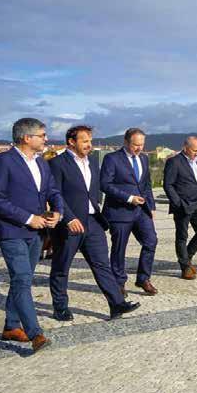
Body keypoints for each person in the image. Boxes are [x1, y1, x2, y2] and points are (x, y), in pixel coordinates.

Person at [0, 118, 63, 353]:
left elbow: (53, 191)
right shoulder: (2, 161)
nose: (46, 139)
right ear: (27, 137)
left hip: (37, 232)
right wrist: (28, 218)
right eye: (42, 135)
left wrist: (58, 211)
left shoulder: (41, 163)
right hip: (12, 231)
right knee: (21, 278)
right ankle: (35, 334)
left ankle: (11, 326)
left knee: (24, 279)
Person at [48, 125, 141, 321]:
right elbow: (54, 194)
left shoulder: (91, 162)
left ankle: (117, 304)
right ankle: (60, 307)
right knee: (61, 267)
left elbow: (94, 189)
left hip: (93, 222)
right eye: (84, 141)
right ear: (71, 142)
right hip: (70, 224)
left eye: (90, 141)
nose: (89, 145)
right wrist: (68, 218)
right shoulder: (57, 163)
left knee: (102, 264)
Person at [100, 128, 158, 296]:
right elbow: (105, 184)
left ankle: (143, 278)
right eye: (135, 145)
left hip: (141, 211)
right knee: (119, 249)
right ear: (126, 142)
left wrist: (151, 206)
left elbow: (146, 185)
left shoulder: (144, 158)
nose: (139, 148)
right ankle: (118, 282)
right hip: (119, 212)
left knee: (151, 241)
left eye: (142, 144)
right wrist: (128, 198)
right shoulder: (112, 159)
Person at [163, 136, 197, 280]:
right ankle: (185, 268)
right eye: (194, 150)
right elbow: (168, 185)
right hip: (182, 205)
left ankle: (187, 258)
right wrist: (177, 202)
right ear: (185, 148)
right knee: (182, 236)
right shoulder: (174, 162)